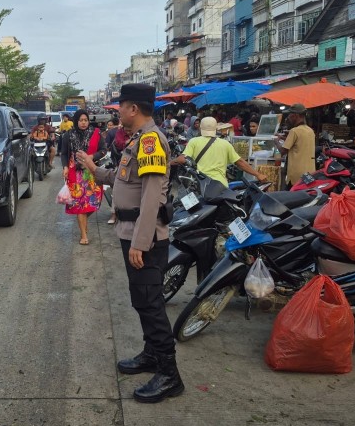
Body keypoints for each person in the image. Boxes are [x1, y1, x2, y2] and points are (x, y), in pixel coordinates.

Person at [76, 83, 182, 404]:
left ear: (133, 109)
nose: (118, 112)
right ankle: (151, 354)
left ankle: (169, 375)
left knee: (151, 303)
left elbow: (152, 195)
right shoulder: (137, 139)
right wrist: (96, 170)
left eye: (120, 106)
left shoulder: (150, 141)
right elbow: (125, 179)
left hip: (144, 237)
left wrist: (141, 241)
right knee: (141, 300)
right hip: (131, 233)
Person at [171, 117, 268, 187]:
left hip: (201, 184)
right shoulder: (225, 144)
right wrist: (258, 174)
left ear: (201, 128)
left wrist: (168, 163)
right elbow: (240, 162)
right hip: (220, 185)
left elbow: (182, 159)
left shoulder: (194, 141)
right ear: (216, 128)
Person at [61, 109, 105, 245]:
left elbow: (103, 150)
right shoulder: (68, 135)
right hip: (75, 173)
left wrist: (92, 156)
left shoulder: (96, 133)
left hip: (92, 172)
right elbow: (63, 154)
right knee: (80, 204)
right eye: (81, 120)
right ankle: (84, 235)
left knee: (95, 201)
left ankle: (83, 220)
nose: (84, 123)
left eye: (86, 120)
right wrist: (65, 167)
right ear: (76, 121)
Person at [274, 103, 316, 188]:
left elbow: (283, 151)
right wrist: (284, 138)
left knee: (293, 198)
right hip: (309, 173)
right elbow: (298, 144)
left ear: (295, 115)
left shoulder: (294, 131)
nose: (288, 117)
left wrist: (276, 141)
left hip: (296, 175)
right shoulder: (310, 131)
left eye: (290, 114)